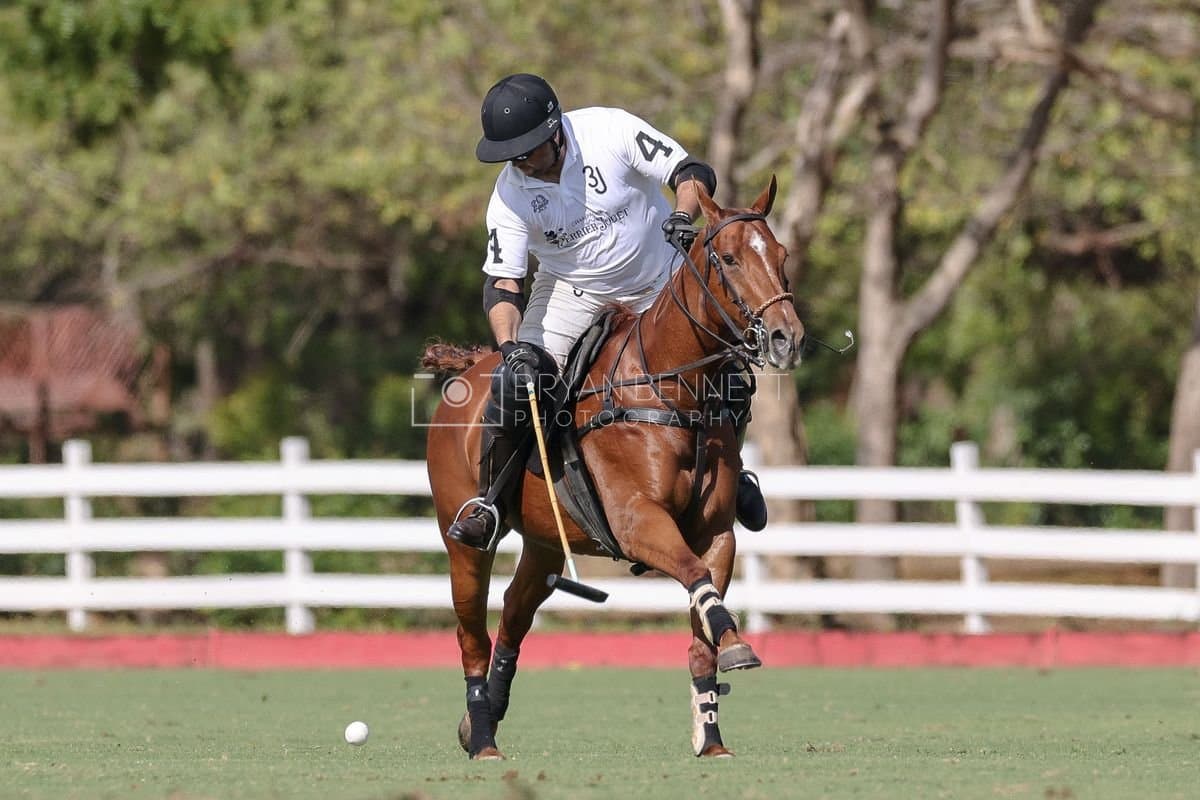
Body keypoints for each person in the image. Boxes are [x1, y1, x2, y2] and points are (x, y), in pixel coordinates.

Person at [446, 73, 767, 549]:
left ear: (555, 131)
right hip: (571, 291)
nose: (521, 163)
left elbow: (691, 172)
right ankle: (491, 501)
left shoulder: (607, 131)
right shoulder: (510, 194)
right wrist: (511, 346)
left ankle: (732, 473)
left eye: (528, 150)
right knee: (517, 383)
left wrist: (681, 216)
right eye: (511, 155)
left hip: (662, 280)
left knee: (732, 371)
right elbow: (504, 283)